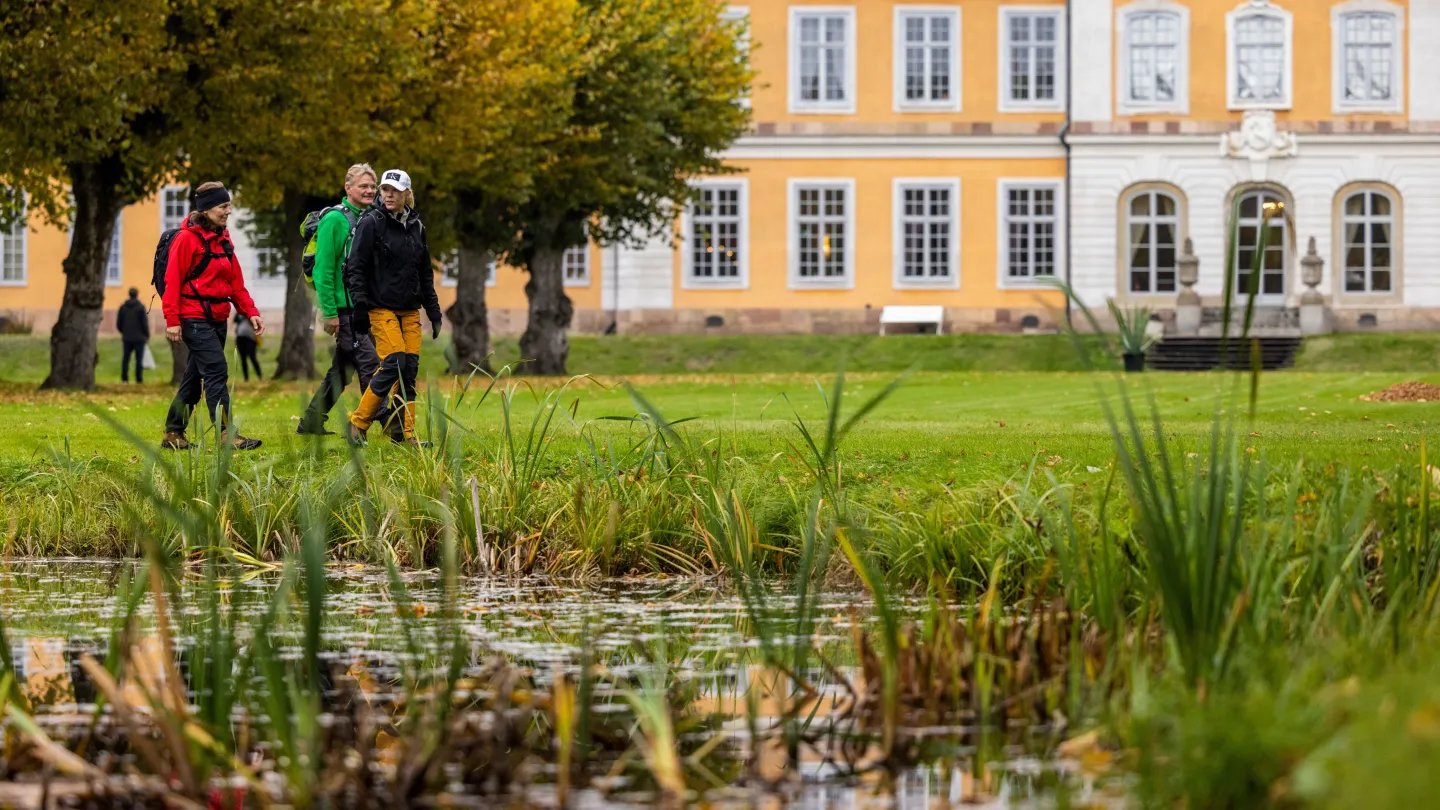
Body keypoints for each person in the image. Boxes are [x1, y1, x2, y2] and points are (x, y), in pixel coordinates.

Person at [160, 182, 264, 451]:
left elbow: (235, 283)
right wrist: (172, 320)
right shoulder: (186, 240)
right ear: (205, 210)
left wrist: (250, 312)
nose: (229, 211)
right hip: (192, 317)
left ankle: (173, 433)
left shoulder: (224, 239)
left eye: (229, 205)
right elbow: (173, 281)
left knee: (195, 379)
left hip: (218, 317)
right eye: (223, 206)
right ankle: (226, 433)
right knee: (217, 370)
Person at [343, 168, 442, 446]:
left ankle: (405, 434)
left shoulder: (416, 227)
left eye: (394, 191)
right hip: (380, 307)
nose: (387, 194)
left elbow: (425, 273)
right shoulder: (371, 222)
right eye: (384, 189)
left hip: (409, 309)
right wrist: (360, 307)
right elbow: (356, 268)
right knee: (393, 363)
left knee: (408, 370)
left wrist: (433, 311)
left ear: (406, 194)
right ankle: (358, 424)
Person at [297, 164, 392, 436]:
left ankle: (311, 421)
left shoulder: (372, 218)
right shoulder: (335, 221)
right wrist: (329, 312)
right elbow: (323, 269)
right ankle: (391, 425)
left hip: (366, 307)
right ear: (347, 188)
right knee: (371, 366)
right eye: (363, 186)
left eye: (372, 187)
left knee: (342, 370)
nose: (369, 191)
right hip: (345, 309)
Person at [116, 287, 150, 384]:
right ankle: (138, 379)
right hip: (139, 338)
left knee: (126, 358)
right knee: (139, 359)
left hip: (127, 337)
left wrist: (124, 332)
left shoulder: (123, 308)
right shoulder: (140, 307)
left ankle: (124, 378)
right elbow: (144, 323)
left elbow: (119, 323)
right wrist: (146, 335)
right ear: (137, 294)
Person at [233, 310, 262, 381]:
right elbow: (235, 320)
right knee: (243, 359)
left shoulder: (253, 313)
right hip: (240, 338)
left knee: (253, 358)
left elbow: (257, 323)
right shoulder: (239, 313)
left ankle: (259, 376)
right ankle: (246, 378)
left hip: (251, 339)